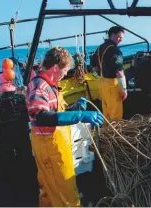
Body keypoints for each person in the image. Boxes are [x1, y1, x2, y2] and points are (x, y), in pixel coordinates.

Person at [26, 47, 104, 207]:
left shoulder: (52, 85)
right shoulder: (39, 87)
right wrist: (79, 116)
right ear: (55, 68)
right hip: (50, 146)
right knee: (65, 191)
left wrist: (74, 108)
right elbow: (41, 117)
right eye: (65, 70)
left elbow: (54, 112)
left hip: (56, 144)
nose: (65, 74)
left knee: (49, 189)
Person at [91, 26, 127, 120]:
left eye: (122, 38)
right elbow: (119, 71)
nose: (120, 40)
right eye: (119, 37)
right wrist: (124, 89)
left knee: (106, 111)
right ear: (112, 35)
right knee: (116, 114)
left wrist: (99, 73)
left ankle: (106, 131)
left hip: (102, 83)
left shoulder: (100, 48)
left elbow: (93, 65)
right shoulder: (114, 50)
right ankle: (115, 132)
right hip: (111, 85)